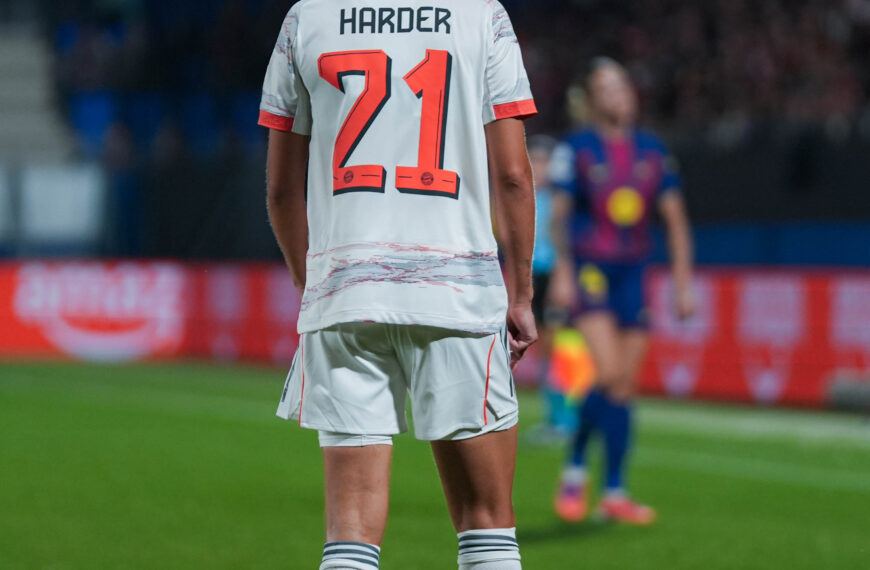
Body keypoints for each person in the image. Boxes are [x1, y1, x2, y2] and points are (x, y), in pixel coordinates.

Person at [258, 2, 538, 568]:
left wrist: (313, 285)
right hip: (458, 292)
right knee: (487, 524)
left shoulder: (306, 19)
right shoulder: (481, 16)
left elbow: (282, 190)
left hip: (347, 293)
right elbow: (512, 174)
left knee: (349, 535)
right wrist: (523, 294)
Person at [549, 58, 696, 526]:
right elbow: (558, 216)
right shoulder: (577, 148)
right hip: (592, 268)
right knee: (609, 372)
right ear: (592, 100)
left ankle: (614, 491)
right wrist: (563, 272)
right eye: (607, 88)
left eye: (622, 86)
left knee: (624, 386)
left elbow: (675, 220)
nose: (618, 94)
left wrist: (682, 283)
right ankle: (576, 468)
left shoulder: (652, 150)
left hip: (634, 271)